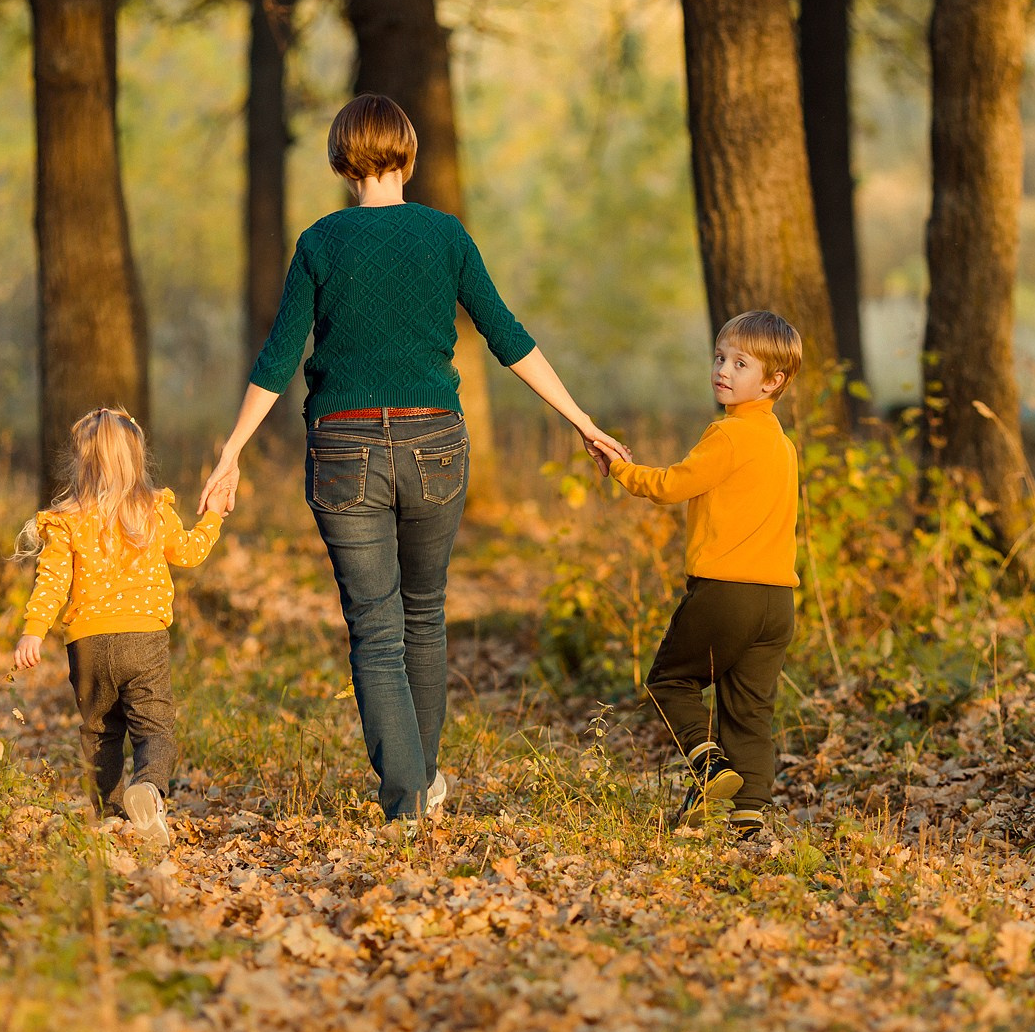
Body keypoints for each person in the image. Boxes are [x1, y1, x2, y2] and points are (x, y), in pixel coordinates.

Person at [198, 94, 627, 825]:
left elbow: (278, 358)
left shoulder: (321, 242)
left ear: (341, 158)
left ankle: (408, 799)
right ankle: (419, 784)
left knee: (375, 626)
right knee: (424, 616)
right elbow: (507, 335)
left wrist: (230, 453)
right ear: (408, 153)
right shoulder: (444, 235)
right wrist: (581, 420)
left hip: (344, 447)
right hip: (435, 445)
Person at [606, 311, 801, 840]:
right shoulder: (783, 447)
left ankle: (709, 766)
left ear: (772, 381)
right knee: (750, 710)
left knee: (671, 680)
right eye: (720, 358)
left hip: (726, 593)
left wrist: (621, 467)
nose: (723, 370)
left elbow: (673, 484)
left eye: (741, 363)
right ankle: (750, 821)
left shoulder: (730, 434)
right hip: (778, 601)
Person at [14, 408, 225, 847]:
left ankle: (111, 815)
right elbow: (188, 552)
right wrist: (214, 517)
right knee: (155, 730)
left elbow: (51, 582)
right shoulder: (152, 509)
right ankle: (148, 787)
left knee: (99, 733)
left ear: (79, 463)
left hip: (87, 645)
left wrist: (33, 629)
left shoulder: (64, 521)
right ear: (136, 459)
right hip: (144, 639)